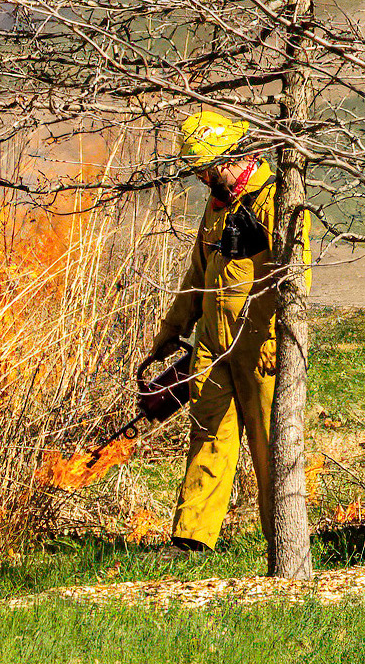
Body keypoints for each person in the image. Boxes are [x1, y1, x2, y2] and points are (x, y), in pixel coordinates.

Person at [136, 107, 286, 552]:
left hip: (261, 347)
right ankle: (192, 539)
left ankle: (282, 541)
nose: (201, 178)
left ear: (229, 159)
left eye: (204, 169)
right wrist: (171, 329)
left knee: (268, 446)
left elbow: (296, 279)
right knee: (208, 433)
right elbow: (199, 272)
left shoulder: (275, 200)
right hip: (213, 345)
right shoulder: (218, 203)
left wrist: (275, 338)